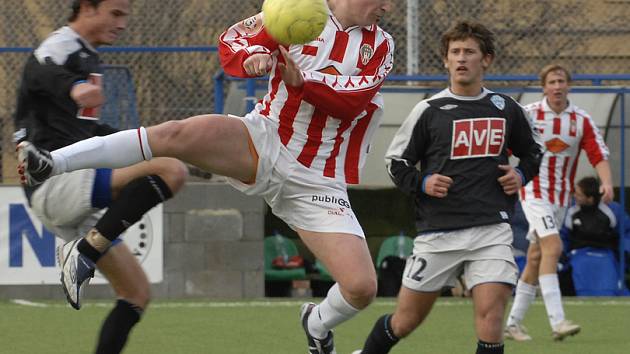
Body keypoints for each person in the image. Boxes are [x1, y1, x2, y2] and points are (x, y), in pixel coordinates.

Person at [17, 1, 395, 353]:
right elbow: (233, 41)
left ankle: (316, 323)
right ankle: (53, 162)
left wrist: (301, 82)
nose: (389, 7)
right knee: (174, 135)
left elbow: (352, 101)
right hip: (261, 141)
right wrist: (251, 59)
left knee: (361, 288)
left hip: (317, 181)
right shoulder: (296, 9)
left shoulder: (380, 45)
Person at [352, 20, 543, 354]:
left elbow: (533, 152)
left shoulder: (506, 109)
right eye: (455, 52)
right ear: (445, 60)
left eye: (469, 51)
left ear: (487, 59)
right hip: (438, 232)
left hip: (491, 228)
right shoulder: (429, 111)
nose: (461, 58)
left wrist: (522, 175)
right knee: (405, 322)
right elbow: (396, 162)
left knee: (491, 319)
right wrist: (422, 182)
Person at [13, 1, 187, 353]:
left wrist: (141, 143)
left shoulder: (89, 57)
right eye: (116, 13)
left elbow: (90, 133)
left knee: (136, 293)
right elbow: (39, 69)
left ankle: (85, 251)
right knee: (171, 169)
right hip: (54, 182)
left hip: (74, 184)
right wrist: (72, 87)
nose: (123, 23)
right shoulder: (64, 44)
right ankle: (85, 253)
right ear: (88, 9)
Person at [504, 64, 613, 341]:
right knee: (554, 246)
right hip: (533, 191)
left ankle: (513, 323)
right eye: (551, 81)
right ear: (544, 87)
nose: (556, 86)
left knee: (536, 256)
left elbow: (597, 153)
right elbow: (504, 147)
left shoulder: (581, 119)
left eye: (561, 81)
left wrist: (607, 182)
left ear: (568, 85)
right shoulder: (528, 114)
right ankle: (558, 321)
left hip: (560, 197)